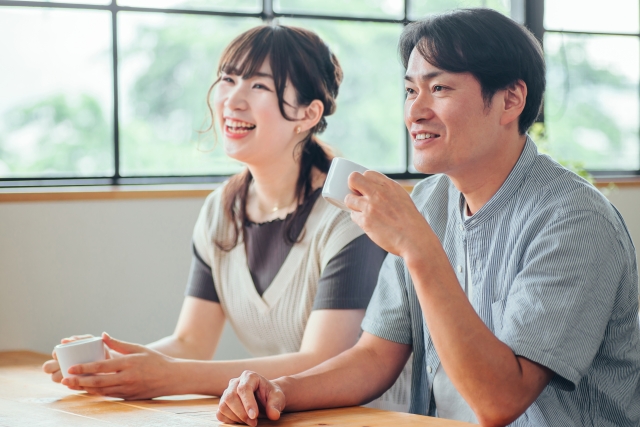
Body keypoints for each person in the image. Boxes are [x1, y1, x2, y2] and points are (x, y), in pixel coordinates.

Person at [215, 8, 640, 427]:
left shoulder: (576, 221)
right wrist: (279, 390)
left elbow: (500, 400)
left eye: (439, 88)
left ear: (511, 99)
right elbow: (375, 356)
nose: (416, 110)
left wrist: (417, 246)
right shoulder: (430, 200)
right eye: (410, 90)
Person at [41, 24, 410, 410]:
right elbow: (190, 342)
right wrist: (113, 366)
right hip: (275, 415)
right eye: (227, 80)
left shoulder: (348, 212)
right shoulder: (221, 210)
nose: (232, 100)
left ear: (307, 113)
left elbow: (322, 360)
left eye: (258, 86)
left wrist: (170, 376)